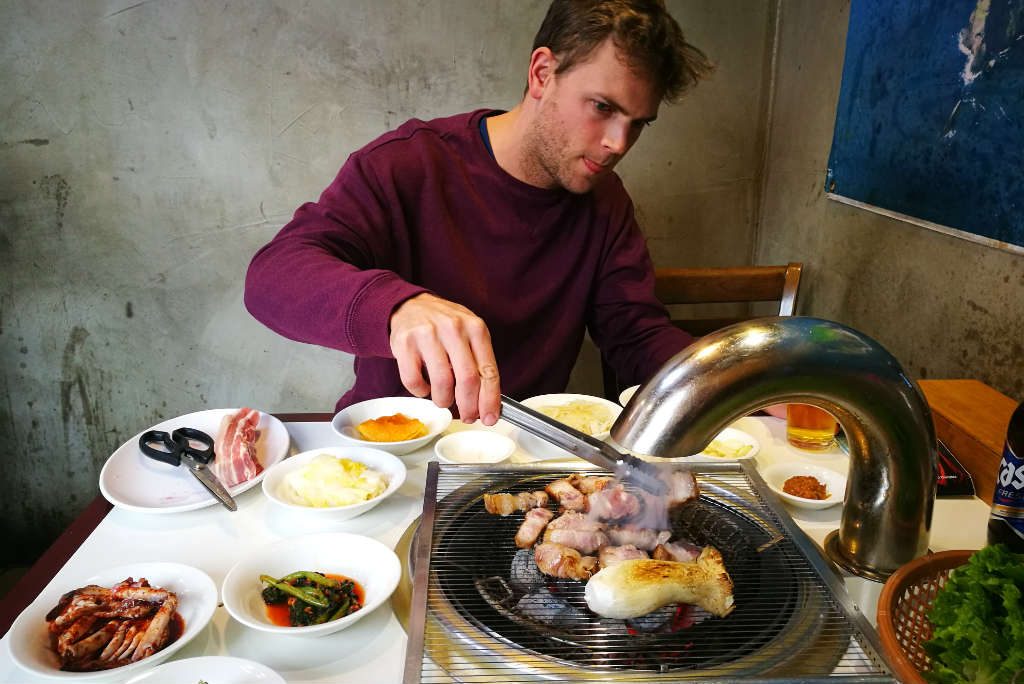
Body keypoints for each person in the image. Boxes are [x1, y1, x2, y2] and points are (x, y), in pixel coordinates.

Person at [244, 0, 714, 426]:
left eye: (637, 124)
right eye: (602, 107)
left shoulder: (605, 201)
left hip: (522, 453)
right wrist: (396, 307)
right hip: (397, 449)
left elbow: (634, 335)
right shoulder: (408, 164)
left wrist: (733, 381)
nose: (618, 143)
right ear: (542, 73)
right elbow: (273, 277)